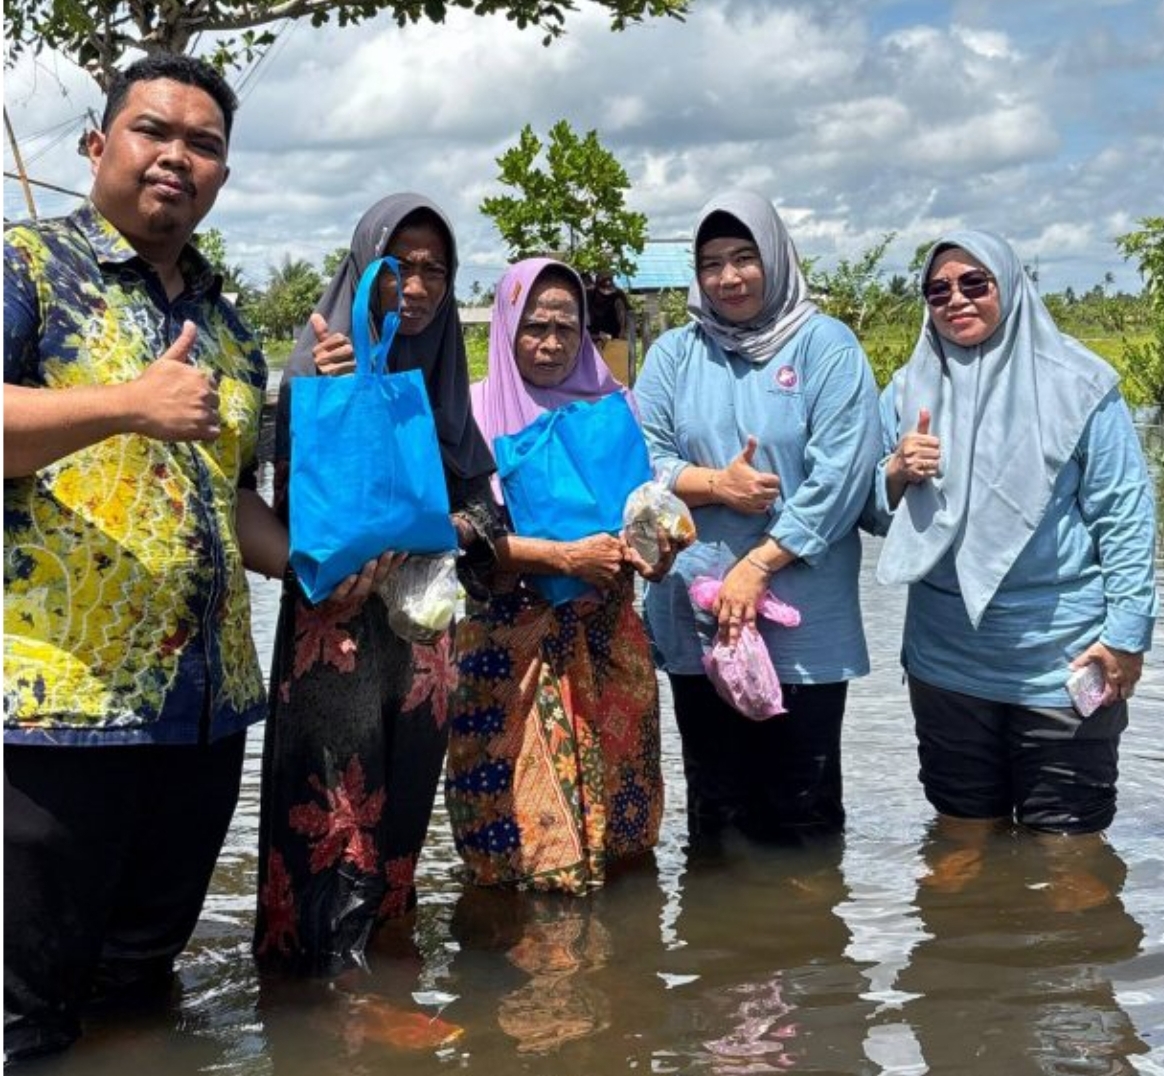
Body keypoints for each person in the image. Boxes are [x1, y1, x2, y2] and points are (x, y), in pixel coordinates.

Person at [3, 54, 287, 1062]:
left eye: (204, 144)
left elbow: (233, 497)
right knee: (24, 1011)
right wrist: (128, 404)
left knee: (141, 991)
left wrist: (308, 564)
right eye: (153, 131)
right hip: (53, 716)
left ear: (222, 174)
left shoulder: (230, 325)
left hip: (202, 718)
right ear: (97, 144)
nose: (178, 156)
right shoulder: (27, 266)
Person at [252, 193, 501, 978]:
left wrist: (441, 532)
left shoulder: (446, 380)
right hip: (338, 630)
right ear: (365, 272)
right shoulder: (313, 369)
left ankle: (382, 976)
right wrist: (330, 391)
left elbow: (485, 512)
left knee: (400, 810)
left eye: (435, 270)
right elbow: (269, 495)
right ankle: (318, 990)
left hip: (421, 639)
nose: (418, 288)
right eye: (399, 269)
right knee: (330, 809)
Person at [868, 229, 1158, 850]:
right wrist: (894, 473)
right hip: (946, 661)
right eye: (938, 289)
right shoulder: (906, 388)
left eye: (975, 283)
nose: (956, 300)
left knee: (1071, 853)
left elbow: (1126, 517)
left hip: (1064, 657)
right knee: (960, 841)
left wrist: (1127, 637)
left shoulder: (1081, 384)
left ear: (1011, 286)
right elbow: (868, 515)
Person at [632, 190, 880, 845]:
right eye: (712, 263)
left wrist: (760, 563)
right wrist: (715, 484)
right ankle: (718, 946)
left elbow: (843, 475)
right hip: (696, 616)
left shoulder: (828, 347)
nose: (729, 277)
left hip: (804, 622)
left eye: (745, 257)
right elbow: (641, 461)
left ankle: (806, 941)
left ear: (776, 257)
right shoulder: (674, 356)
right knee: (716, 814)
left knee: (803, 811)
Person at [447, 257, 674, 893]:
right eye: (533, 327)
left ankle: (615, 977)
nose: (549, 344)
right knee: (519, 842)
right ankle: (529, 979)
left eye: (564, 328)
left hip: (608, 642)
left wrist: (659, 547)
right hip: (509, 651)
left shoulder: (614, 405)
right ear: (505, 326)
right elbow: (456, 537)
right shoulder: (472, 415)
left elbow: (639, 516)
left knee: (625, 837)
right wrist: (567, 558)